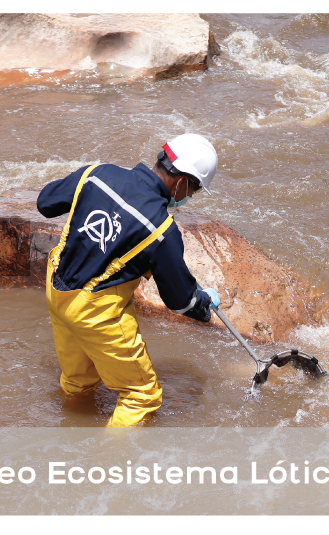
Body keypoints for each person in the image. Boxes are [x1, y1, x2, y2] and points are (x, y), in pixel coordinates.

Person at [36, 134, 222, 427]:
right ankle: (106, 468)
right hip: (95, 313)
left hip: (56, 289)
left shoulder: (96, 174)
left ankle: (67, 428)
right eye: (195, 189)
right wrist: (202, 304)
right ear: (184, 181)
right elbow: (179, 300)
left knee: (78, 379)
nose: (190, 196)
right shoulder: (161, 229)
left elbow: (46, 202)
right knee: (141, 397)